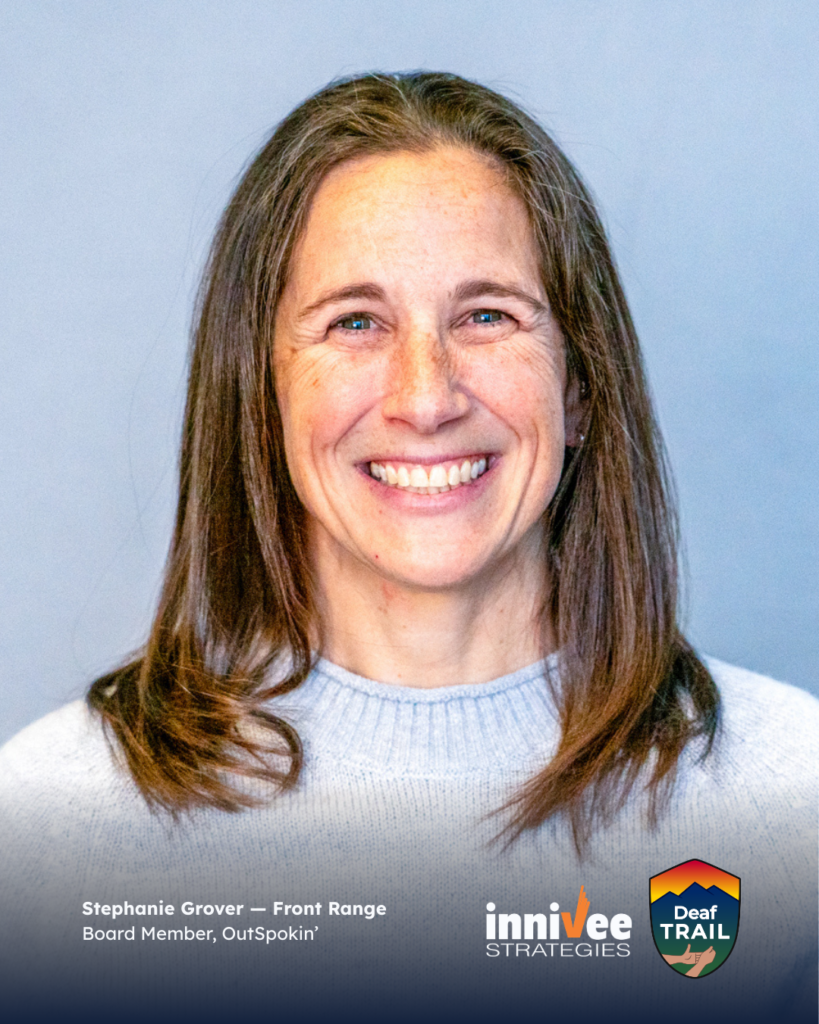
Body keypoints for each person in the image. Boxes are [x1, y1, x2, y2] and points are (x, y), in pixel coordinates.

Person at [1, 72, 816, 1024]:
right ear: (260, 396)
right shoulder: (57, 826)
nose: (425, 399)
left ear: (581, 386)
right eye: (355, 322)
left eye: (487, 316)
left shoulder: (792, 799)